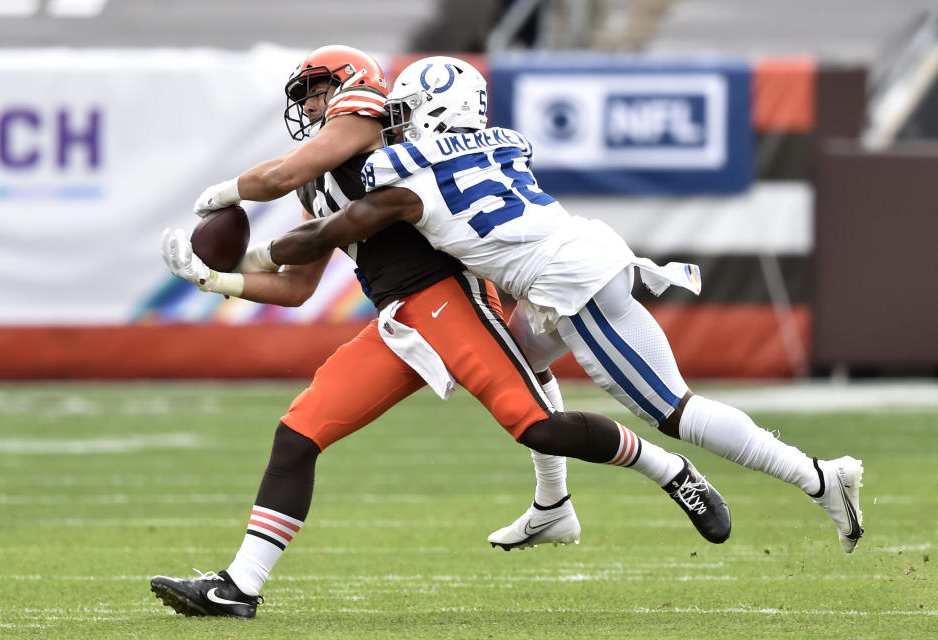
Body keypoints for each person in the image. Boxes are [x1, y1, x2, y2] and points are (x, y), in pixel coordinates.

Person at [153, 46, 730, 620]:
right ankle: (239, 588)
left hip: (450, 301)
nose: (309, 103)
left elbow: (281, 174)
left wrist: (224, 194)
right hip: (396, 321)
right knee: (298, 436)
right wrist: (213, 280)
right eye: (304, 93)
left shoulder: (366, 121)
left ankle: (671, 470)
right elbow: (297, 285)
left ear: (354, 86)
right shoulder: (318, 180)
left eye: (316, 88)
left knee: (538, 428)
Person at [255, 56, 864, 556]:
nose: (395, 124)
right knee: (520, 370)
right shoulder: (502, 144)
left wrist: (249, 246)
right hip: (573, 267)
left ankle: (817, 476)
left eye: (403, 114)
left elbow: (332, 224)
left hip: (570, 284)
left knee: (675, 412)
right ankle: (553, 504)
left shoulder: (400, 170)